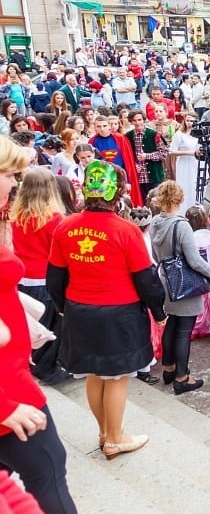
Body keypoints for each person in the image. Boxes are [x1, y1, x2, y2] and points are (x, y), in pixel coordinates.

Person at [47, 160, 166, 460]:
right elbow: (147, 280)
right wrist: (160, 313)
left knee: (93, 374)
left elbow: (55, 277)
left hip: (79, 310)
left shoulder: (66, 226)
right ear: (117, 193)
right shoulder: (126, 230)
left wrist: (62, 309)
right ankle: (115, 437)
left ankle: (104, 431)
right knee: (115, 377)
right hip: (118, 313)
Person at [0, 137, 77, 512]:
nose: (14, 183)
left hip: (12, 369)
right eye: (9, 173)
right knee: (49, 472)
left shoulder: (14, 215)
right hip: (8, 394)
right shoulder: (53, 218)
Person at [150, 181, 210, 394]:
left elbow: (154, 255)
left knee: (171, 326)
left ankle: (168, 369)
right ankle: (182, 377)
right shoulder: (181, 225)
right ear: (180, 200)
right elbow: (194, 260)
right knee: (183, 331)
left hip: (165, 279)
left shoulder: (154, 223)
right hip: (183, 282)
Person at [10, 168, 68, 385]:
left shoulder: (18, 215)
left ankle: (35, 363)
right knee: (51, 327)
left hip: (23, 277)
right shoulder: (53, 218)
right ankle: (47, 369)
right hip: (45, 278)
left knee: (33, 325)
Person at [125, 109, 168, 202]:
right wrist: (133, 165)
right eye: (134, 120)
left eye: (139, 120)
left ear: (144, 120)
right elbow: (126, 156)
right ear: (131, 122)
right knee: (141, 204)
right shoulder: (127, 136)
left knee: (156, 202)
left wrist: (147, 156)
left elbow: (164, 153)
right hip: (138, 178)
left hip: (154, 176)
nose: (137, 123)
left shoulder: (154, 134)